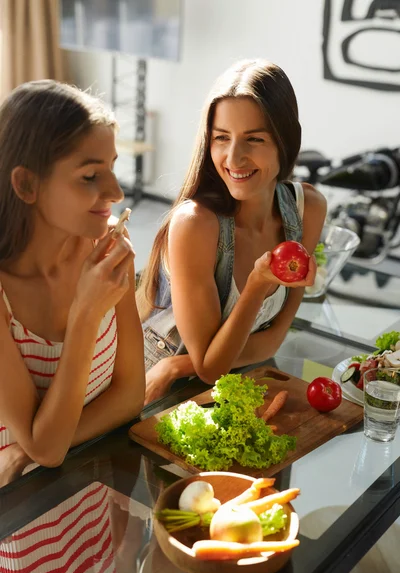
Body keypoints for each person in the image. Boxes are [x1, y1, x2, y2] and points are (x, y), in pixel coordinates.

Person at [137, 59, 327, 404]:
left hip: (214, 381)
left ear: (285, 141)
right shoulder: (195, 224)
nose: (233, 158)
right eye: (221, 138)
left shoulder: (307, 210)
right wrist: (256, 286)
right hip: (147, 383)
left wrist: (179, 366)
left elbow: (272, 340)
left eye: (254, 139)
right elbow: (210, 367)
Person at [0, 80, 145, 486]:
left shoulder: (109, 246)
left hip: (92, 492)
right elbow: (48, 451)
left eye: (112, 168)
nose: (115, 192)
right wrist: (86, 312)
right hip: (23, 520)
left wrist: (29, 446)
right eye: (89, 176)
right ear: (26, 185)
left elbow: (132, 396)